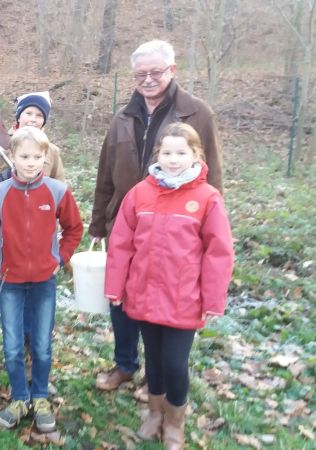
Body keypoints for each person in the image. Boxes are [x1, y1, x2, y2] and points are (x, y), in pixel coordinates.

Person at [90, 39, 223, 392]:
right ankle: (124, 364)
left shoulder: (198, 114)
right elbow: (105, 173)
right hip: (125, 223)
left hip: (176, 229)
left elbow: (212, 173)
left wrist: (211, 224)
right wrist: (98, 223)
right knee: (121, 299)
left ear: (172, 70)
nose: (147, 79)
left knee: (165, 301)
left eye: (155, 72)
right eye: (140, 74)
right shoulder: (122, 118)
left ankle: (157, 378)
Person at [104, 122, 233, 449]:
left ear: (196, 155)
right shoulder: (140, 194)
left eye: (181, 153)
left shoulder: (207, 198)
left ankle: (175, 422)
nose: (173, 159)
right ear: (157, 154)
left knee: (175, 364)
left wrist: (213, 298)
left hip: (183, 300)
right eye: (167, 152)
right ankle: (154, 413)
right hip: (144, 295)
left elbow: (218, 252)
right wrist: (116, 286)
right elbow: (121, 243)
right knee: (154, 361)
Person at [0, 126, 83, 432]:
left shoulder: (57, 192)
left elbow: (74, 229)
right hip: (9, 281)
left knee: (41, 344)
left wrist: (59, 258)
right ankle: (20, 398)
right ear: (12, 156)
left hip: (44, 282)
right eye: (24, 157)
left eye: (37, 157)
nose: (30, 163)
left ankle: (40, 396)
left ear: (45, 157)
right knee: (12, 345)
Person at [0, 92, 66, 368]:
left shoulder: (50, 152)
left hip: (37, 236)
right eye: (28, 113)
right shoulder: (1, 148)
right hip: (2, 231)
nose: (33, 119)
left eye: (39, 115)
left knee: (31, 291)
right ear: (19, 116)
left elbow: (61, 189)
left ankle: (27, 339)